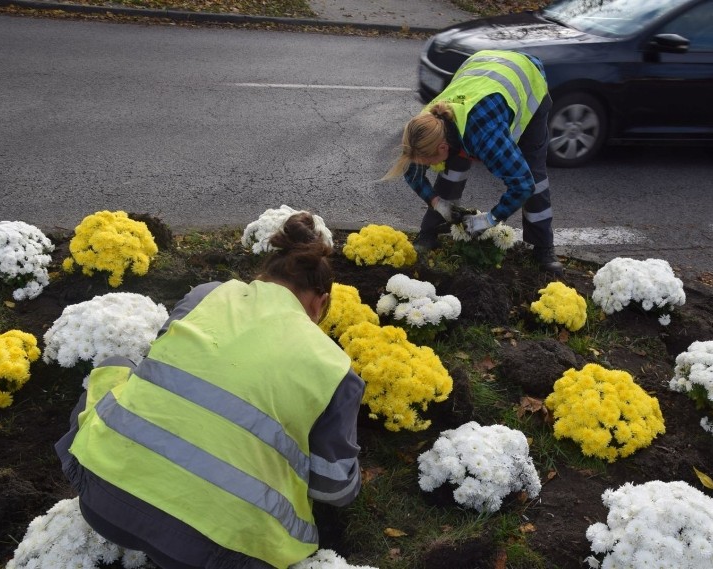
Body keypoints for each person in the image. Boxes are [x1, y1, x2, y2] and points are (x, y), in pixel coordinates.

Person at [55, 212, 365, 569]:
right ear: (320, 302)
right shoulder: (336, 369)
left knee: (117, 367)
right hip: (219, 553)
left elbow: (159, 368)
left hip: (103, 501)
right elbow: (334, 490)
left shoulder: (207, 295)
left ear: (262, 277)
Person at [385, 49, 564, 276]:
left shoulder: (487, 136)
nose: (427, 167)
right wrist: (437, 202)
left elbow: (522, 185)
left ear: (442, 147)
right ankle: (431, 230)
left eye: (428, 163)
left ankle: (543, 248)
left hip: (526, 80)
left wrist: (489, 219)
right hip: (481, 68)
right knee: (452, 170)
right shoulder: (426, 124)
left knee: (533, 174)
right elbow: (411, 169)